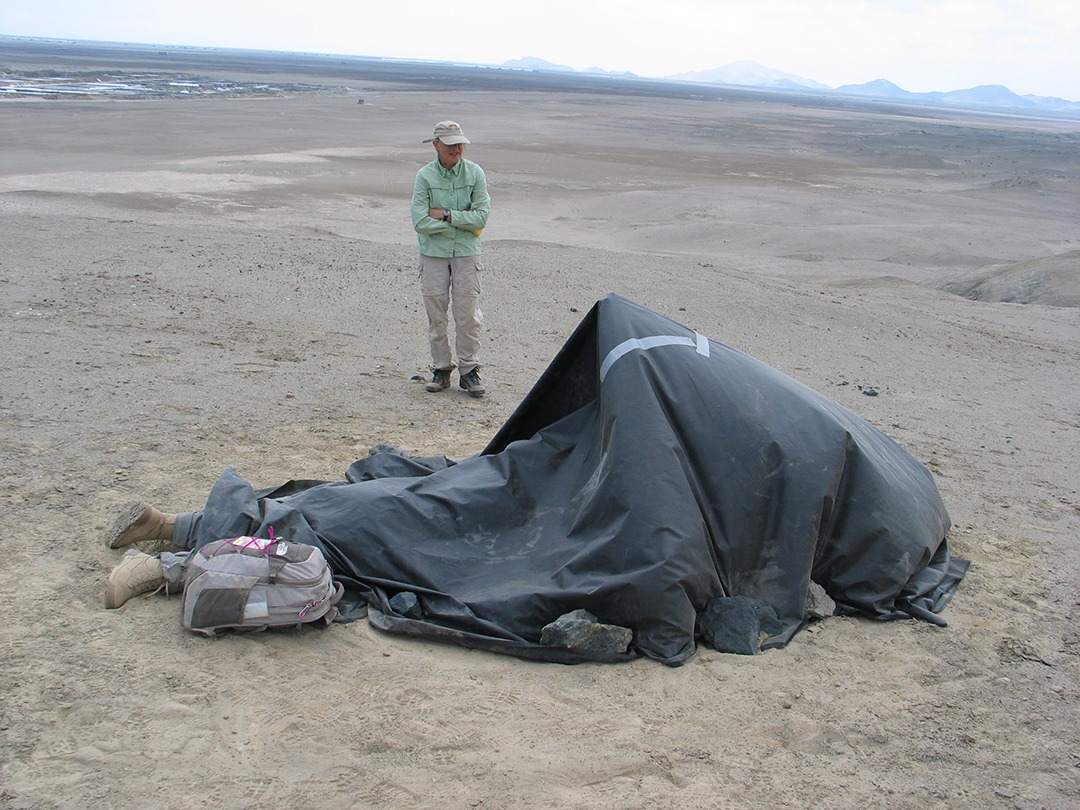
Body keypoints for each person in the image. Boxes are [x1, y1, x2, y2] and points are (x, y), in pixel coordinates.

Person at [411, 121, 491, 397]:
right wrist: (461, 221)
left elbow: (481, 217)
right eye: (450, 143)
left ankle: (469, 371)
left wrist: (444, 214)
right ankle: (441, 369)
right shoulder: (424, 176)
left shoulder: (475, 173)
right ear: (436, 145)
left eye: (460, 143)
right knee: (436, 313)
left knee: (467, 313)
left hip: (467, 255)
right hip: (433, 254)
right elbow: (420, 220)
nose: (457, 148)